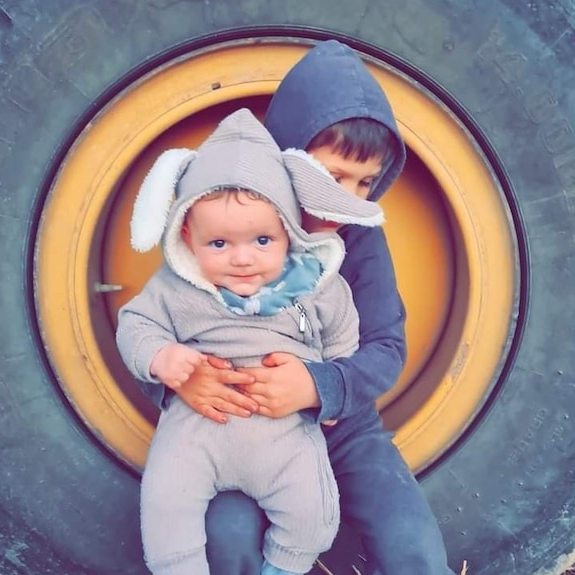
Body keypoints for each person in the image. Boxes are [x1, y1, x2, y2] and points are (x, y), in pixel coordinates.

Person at [195, 41, 456, 574]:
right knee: (227, 536)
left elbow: (387, 345)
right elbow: (167, 321)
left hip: (342, 429)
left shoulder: (358, 237)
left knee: (411, 544)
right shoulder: (225, 221)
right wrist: (183, 382)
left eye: (365, 183)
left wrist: (322, 386)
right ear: (287, 154)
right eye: (333, 176)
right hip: (244, 429)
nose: (348, 196)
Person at [115, 108, 386, 575]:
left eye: (262, 240)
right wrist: (162, 356)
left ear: (287, 232)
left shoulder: (318, 285)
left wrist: (326, 391)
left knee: (311, 513)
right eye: (219, 244)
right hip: (195, 433)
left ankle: (283, 567)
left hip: (285, 434)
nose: (242, 259)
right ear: (186, 235)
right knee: (165, 503)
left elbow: (345, 339)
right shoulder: (176, 287)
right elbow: (134, 324)